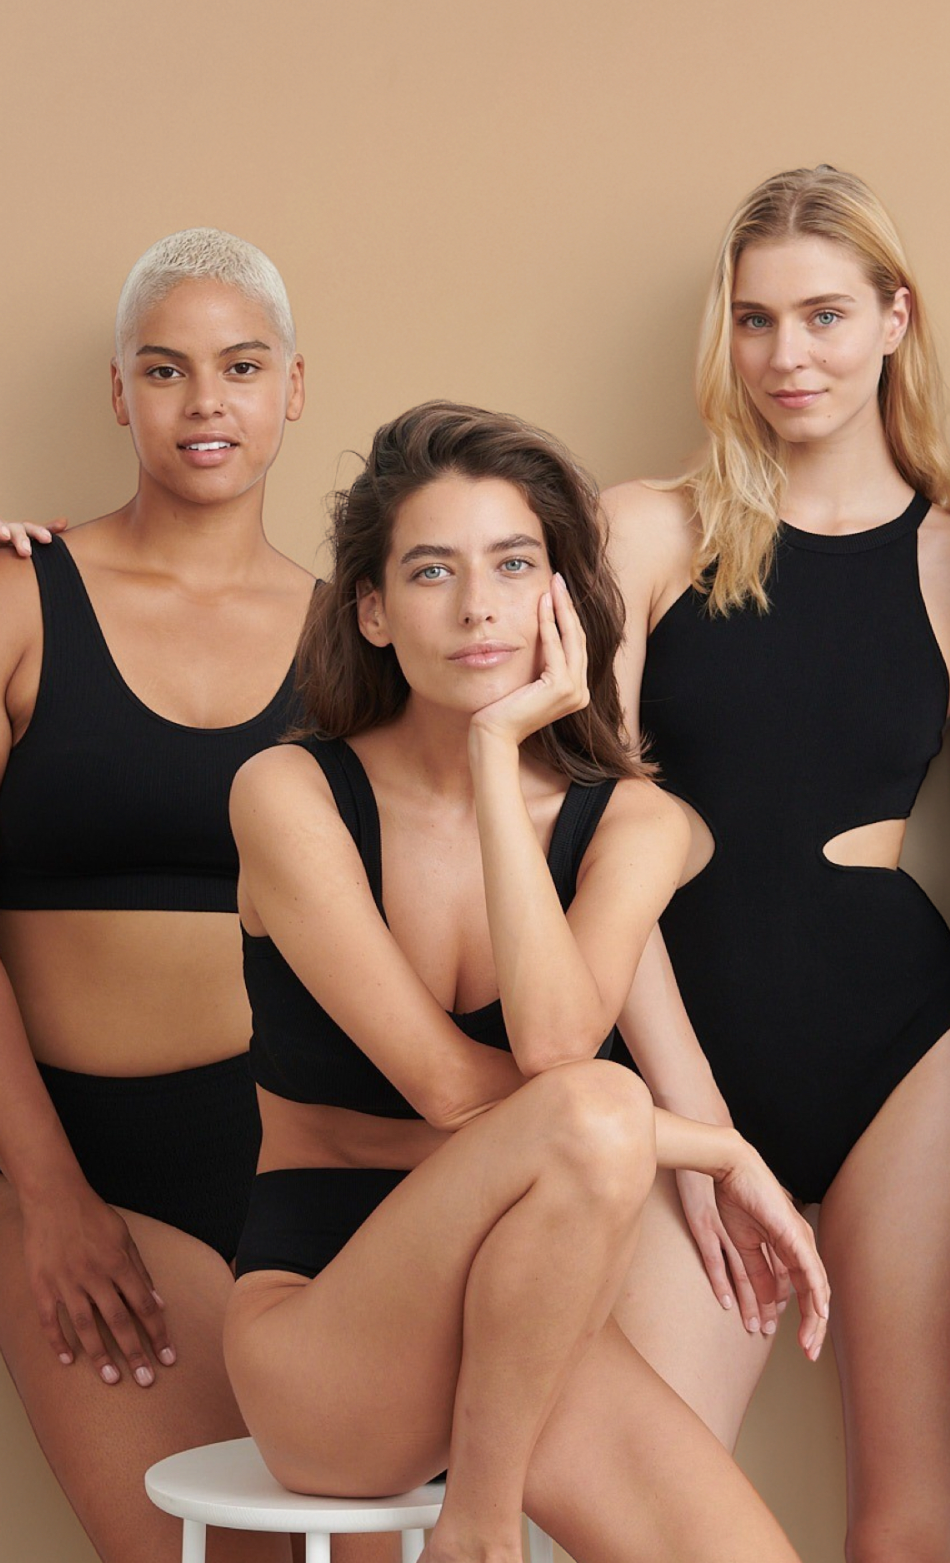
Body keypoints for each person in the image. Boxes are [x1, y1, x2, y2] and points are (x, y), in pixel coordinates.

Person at [224, 401, 829, 1562]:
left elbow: (553, 1047)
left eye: (513, 564)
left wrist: (500, 758)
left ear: (560, 594)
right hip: (327, 1343)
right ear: (373, 611)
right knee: (598, 1107)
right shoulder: (288, 797)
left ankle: (477, 1521)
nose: (478, 606)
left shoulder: (635, 825)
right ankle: (482, 1530)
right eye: (431, 571)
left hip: (527, 1329)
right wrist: (711, 1144)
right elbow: (456, 1092)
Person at [599, 165, 950, 1557]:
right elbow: (582, 839)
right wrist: (694, 1134)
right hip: (677, 1056)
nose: (788, 357)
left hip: (905, 1057)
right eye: (754, 321)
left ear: (896, 318)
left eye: (825, 316)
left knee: (910, 1518)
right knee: (646, 1505)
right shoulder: (646, 533)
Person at [0, 229, 314, 1561]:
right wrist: (52, 1190)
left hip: (305, 1157)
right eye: (167, 369)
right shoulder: (3, 602)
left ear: (294, 388)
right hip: (81, 1162)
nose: (206, 405)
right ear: (117, 392)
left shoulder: (362, 631)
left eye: (242, 368)